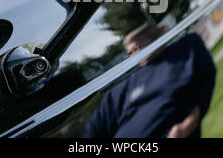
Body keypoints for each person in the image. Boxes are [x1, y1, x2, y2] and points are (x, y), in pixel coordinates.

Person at [85, 23, 216, 138]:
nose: (133, 56)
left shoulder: (185, 50)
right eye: (130, 53)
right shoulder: (127, 84)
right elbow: (95, 126)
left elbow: (206, 86)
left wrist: (186, 126)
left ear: (153, 39)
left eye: (136, 49)